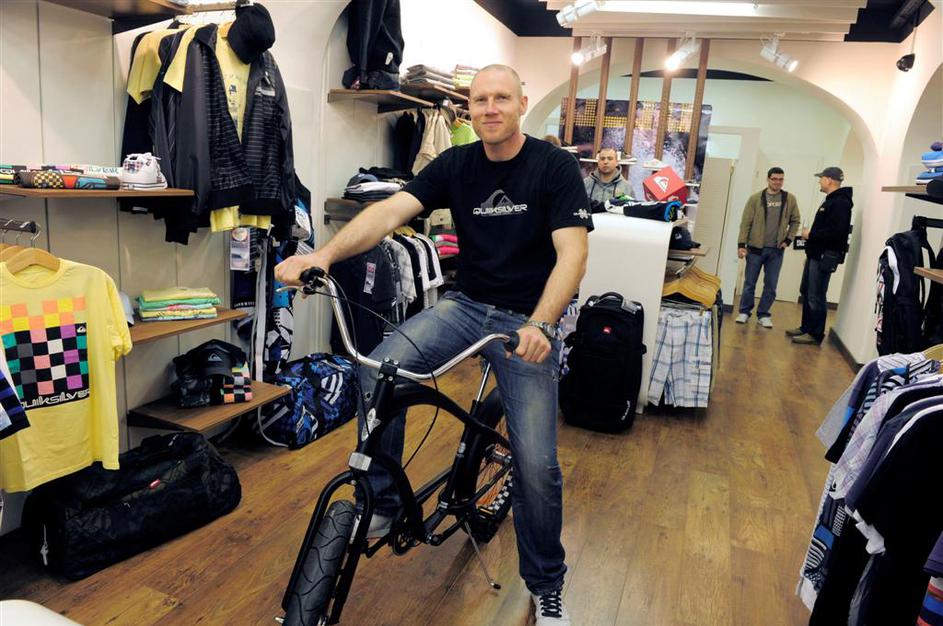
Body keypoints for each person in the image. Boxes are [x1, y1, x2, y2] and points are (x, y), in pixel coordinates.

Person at [275, 64, 592, 626]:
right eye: (480, 100)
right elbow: (389, 212)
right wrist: (321, 256)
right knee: (380, 367)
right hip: (465, 306)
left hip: (526, 321)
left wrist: (543, 325)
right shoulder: (456, 163)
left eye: (502, 98)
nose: (490, 108)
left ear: (522, 104)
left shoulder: (554, 166)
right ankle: (382, 501)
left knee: (537, 467)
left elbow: (572, 253)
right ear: (469, 108)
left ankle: (546, 585)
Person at [786, 166, 853, 345]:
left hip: (824, 256)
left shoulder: (840, 202)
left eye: (821, 178)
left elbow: (837, 232)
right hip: (815, 254)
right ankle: (806, 327)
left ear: (829, 180)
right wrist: (810, 252)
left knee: (816, 294)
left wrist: (810, 235)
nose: (819, 181)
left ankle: (815, 334)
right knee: (807, 291)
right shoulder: (831, 200)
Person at [735, 167, 801, 328]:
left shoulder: (789, 199)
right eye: (774, 179)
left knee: (771, 284)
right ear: (768, 179)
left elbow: (795, 221)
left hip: (776, 251)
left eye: (781, 179)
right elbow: (746, 223)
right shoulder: (755, 199)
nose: (778, 182)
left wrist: (788, 240)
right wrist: (741, 245)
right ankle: (744, 312)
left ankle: (763, 314)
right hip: (755, 249)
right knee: (750, 283)